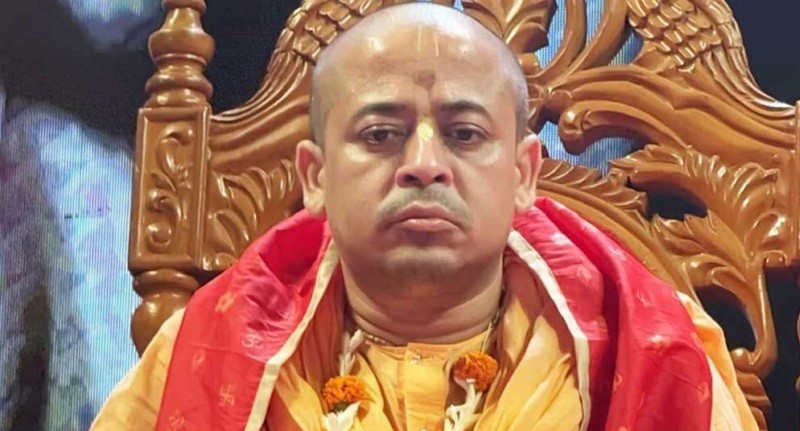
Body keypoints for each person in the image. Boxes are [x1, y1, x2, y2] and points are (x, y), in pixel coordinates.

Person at [91, 2, 758, 430]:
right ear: (316, 177)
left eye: (465, 134)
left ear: (523, 175)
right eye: (381, 134)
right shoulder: (206, 348)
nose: (423, 164)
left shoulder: (651, 344)